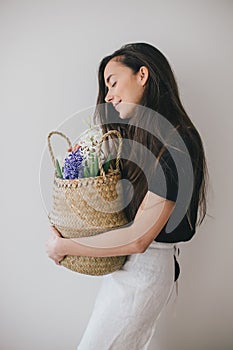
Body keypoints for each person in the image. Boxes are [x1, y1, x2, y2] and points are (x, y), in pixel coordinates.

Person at [46, 42, 209, 349]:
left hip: (145, 272)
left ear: (142, 74)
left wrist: (64, 246)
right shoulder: (146, 140)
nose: (107, 95)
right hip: (132, 269)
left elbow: (138, 237)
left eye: (113, 82)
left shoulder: (176, 143)